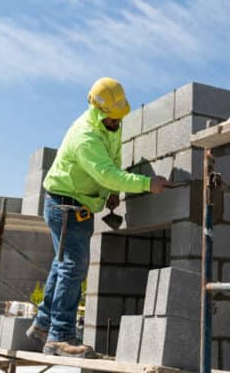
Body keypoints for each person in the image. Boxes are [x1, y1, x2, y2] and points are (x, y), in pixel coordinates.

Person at [26, 78, 168, 358]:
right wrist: (146, 184)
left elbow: (113, 160)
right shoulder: (85, 135)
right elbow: (104, 172)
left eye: (119, 118)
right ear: (99, 111)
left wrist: (113, 191)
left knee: (63, 265)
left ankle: (44, 325)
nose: (117, 123)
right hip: (64, 205)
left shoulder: (111, 123)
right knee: (73, 268)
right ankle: (60, 336)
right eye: (113, 119)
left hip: (79, 204)